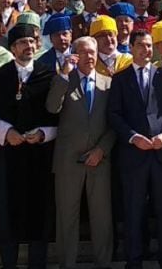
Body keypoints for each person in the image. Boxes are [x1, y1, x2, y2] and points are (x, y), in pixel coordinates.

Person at [0, 24, 58, 269]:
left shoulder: (49, 76)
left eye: (32, 42)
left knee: (40, 213)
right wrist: (7, 132)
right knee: (7, 213)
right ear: (13, 48)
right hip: (8, 157)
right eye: (22, 42)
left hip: (40, 156)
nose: (28, 46)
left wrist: (43, 133)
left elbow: (61, 116)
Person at [108, 31, 162, 269]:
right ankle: (134, 260)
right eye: (141, 45)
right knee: (133, 210)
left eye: (149, 46)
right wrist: (132, 137)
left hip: (161, 153)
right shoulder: (120, 79)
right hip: (133, 154)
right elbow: (114, 114)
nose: (146, 50)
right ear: (131, 47)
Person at [46, 35, 115, 269]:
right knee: (67, 217)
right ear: (75, 55)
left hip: (99, 160)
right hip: (68, 162)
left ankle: (104, 263)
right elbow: (52, 107)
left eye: (93, 52)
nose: (89, 56)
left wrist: (101, 150)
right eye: (84, 52)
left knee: (102, 218)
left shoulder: (108, 84)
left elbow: (114, 125)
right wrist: (64, 75)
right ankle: (67, 263)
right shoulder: (64, 80)